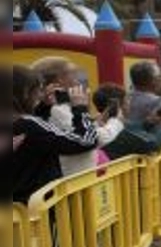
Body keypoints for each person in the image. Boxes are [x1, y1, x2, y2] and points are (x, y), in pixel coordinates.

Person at [11, 65, 98, 204]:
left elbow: (36, 139)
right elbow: (85, 141)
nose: (40, 96)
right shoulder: (29, 124)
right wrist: (80, 109)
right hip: (37, 209)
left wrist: (43, 107)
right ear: (26, 92)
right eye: (37, 91)